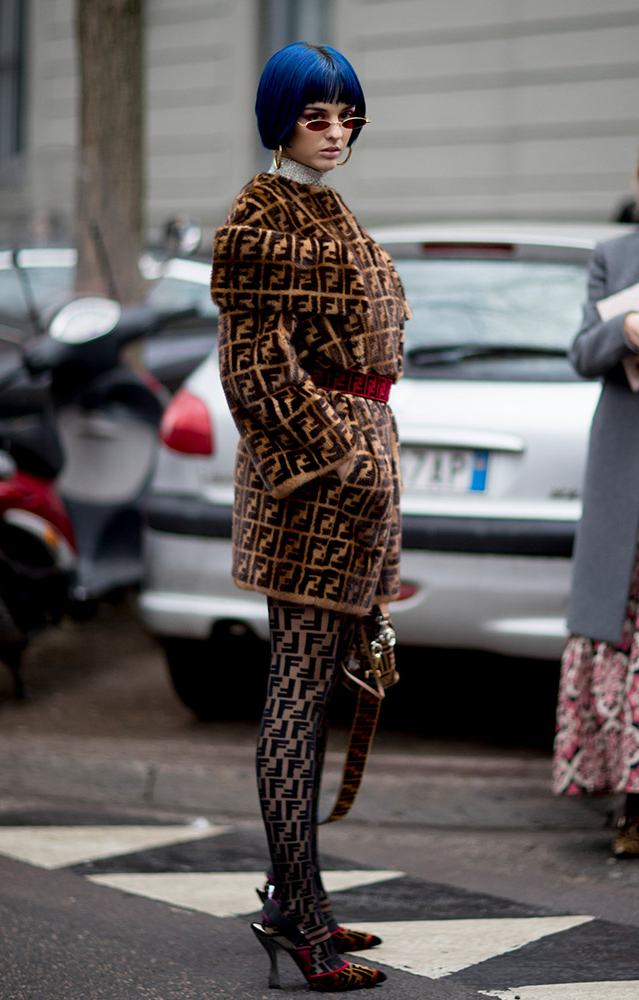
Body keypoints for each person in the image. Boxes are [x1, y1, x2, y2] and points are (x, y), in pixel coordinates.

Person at [211, 42, 409, 991]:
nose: (335, 133)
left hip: (354, 487)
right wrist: (338, 459)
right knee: (294, 693)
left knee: (317, 688)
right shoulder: (261, 218)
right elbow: (253, 372)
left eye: (346, 116)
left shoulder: (322, 207)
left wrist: (368, 466)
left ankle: (300, 897)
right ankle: (299, 916)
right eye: (315, 117)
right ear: (279, 119)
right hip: (308, 497)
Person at [552, 204, 639, 857]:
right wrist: (628, 330)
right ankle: (630, 805)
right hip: (626, 476)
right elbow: (582, 352)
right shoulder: (615, 254)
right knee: (622, 640)